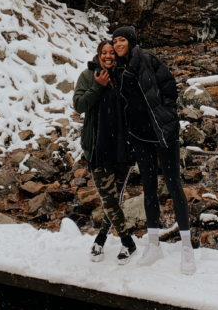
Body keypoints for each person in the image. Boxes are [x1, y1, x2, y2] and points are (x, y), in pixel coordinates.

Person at [112, 24, 196, 275]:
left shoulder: (148, 59)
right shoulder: (118, 69)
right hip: (140, 137)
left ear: (131, 41)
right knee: (148, 187)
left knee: (174, 184)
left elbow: (170, 88)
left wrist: (167, 116)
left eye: (122, 40)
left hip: (163, 132)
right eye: (115, 41)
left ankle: (187, 246)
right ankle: (153, 243)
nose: (118, 45)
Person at [73, 40, 137, 264]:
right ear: (98, 55)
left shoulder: (123, 76)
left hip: (122, 147)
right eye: (104, 53)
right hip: (98, 148)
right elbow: (79, 105)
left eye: (112, 53)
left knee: (113, 199)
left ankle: (100, 238)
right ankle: (128, 242)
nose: (108, 56)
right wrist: (97, 87)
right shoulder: (87, 76)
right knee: (108, 198)